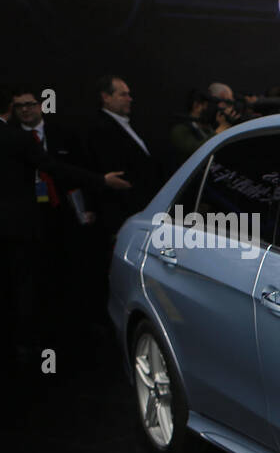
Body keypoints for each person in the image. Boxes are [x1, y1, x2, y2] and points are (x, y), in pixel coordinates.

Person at [2, 117, 130, 365]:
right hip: (21, 224)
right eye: (20, 106)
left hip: (49, 219)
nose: (26, 111)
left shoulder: (59, 133)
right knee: (24, 282)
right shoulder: (17, 137)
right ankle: (27, 342)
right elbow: (53, 166)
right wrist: (101, 180)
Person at [85, 75, 159, 239]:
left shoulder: (130, 124)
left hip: (143, 207)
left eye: (129, 94)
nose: (129, 99)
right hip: (124, 211)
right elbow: (114, 172)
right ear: (106, 97)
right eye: (123, 94)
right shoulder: (100, 129)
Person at [169, 89, 215, 167]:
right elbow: (196, 152)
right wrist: (220, 130)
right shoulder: (181, 130)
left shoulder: (208, 128)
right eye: (207, 105)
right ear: (196, 105)